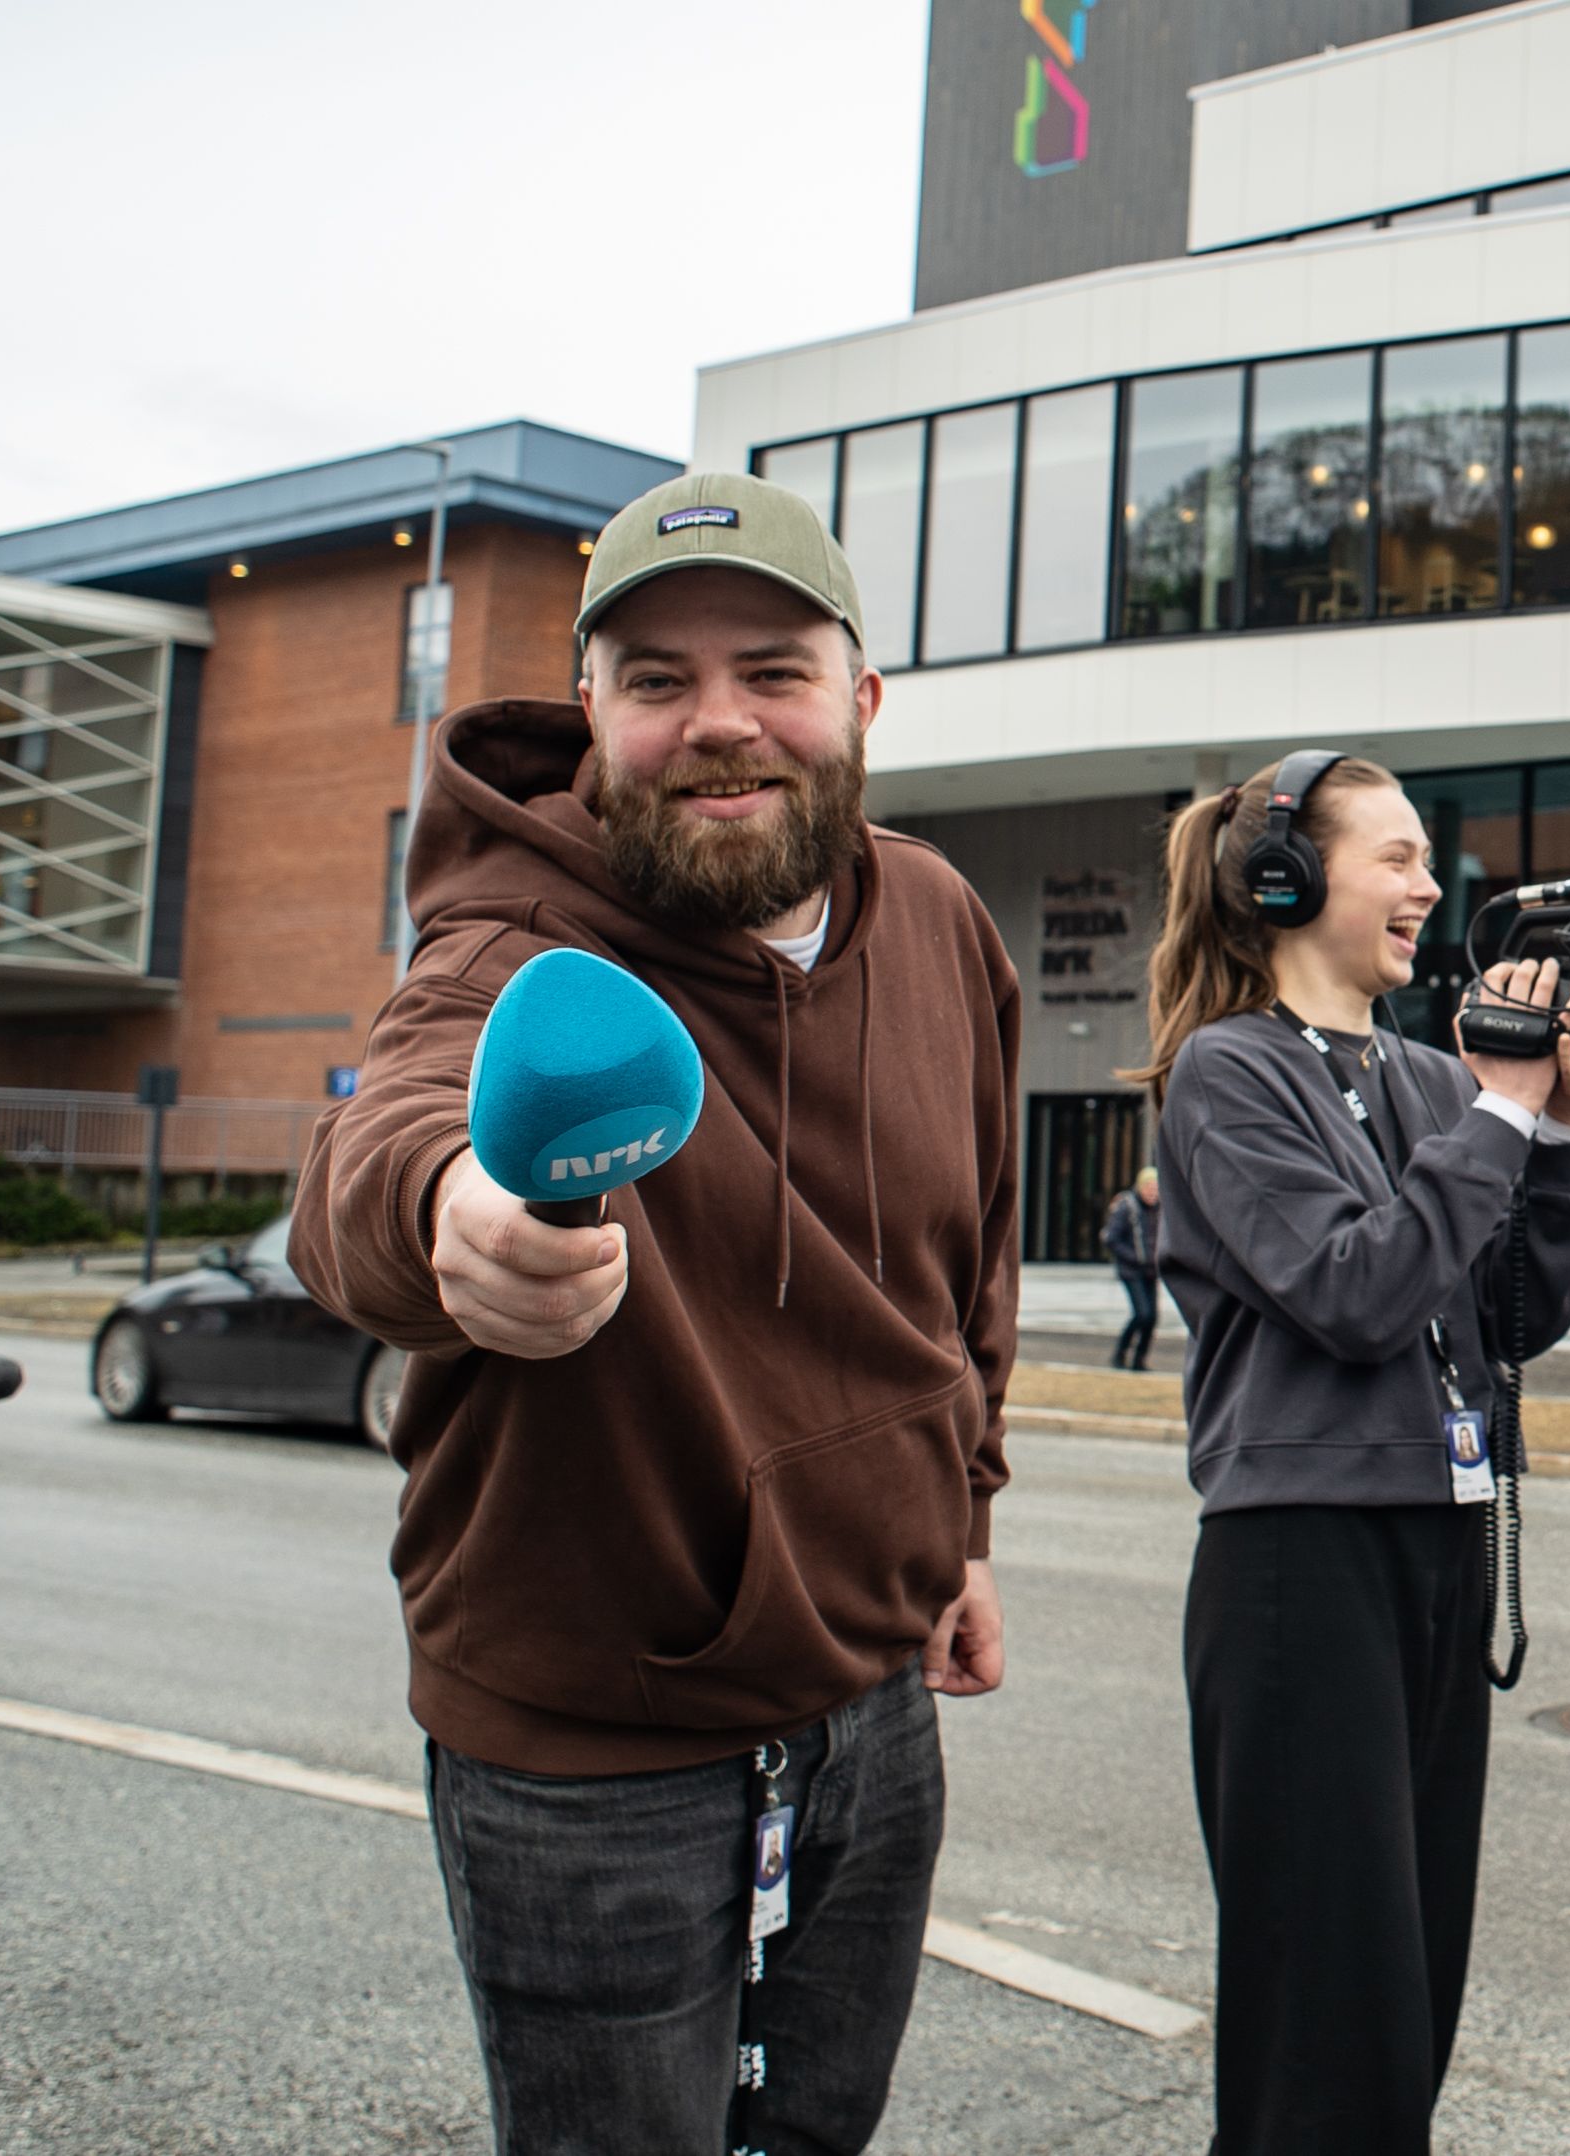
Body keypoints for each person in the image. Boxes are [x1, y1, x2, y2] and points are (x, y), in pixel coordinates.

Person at [287, 471, 1020, 2154]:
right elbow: (374, 1148)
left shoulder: (943, 924)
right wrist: (452, 1218)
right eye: (657, 682)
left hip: (874, 1708)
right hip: (586, 1754)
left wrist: (964, 1525)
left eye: (771, 670)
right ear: (590, 710)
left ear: (860, 699)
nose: (719, 727)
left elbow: (965, 1256)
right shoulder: (515, 938)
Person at [1133, 750, 1570, 2155]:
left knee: (1413, 1982)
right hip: (1300, 1558)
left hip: (1439, 1538)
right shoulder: (1225, 1076)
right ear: (1287, 883)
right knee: (1328, 2003)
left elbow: (1514, 1315)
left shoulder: (1430, 1074)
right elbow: (1356, 1293)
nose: (1434, 888)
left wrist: (1567, 1134)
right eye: (1400, 858)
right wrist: (1497, 1114)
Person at [1103, 1164, 1162, 1370]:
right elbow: (1111, 1238)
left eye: (1156, 1189)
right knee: (1142, 1314)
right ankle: (1120, 1353)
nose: (1152, 1193)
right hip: (1131, 1270)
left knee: (1152, 1317)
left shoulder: (1160, 1209)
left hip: (1151, 1271)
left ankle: (1139, 1359)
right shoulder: (1126, 1206)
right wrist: (1134, 1257)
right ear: (1140, 1187)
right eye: (1149, 1188)